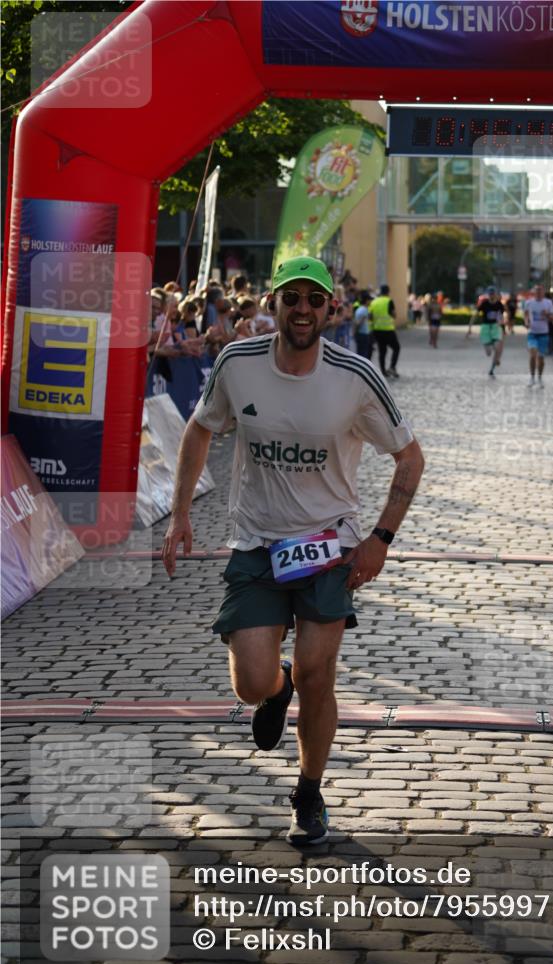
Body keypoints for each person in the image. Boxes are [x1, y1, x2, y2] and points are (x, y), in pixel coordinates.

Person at [161, 255, 424, 846]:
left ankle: (308, 793)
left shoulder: (355, 376)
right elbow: (200, 427)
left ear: (331, 308)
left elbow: (410, 458)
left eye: (314, 299)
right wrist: (180, 512)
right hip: (257, 542)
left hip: (330, 546)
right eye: (291, 298)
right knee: (252, 683)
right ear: (272, 303)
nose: (302, 309)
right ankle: (275, 691)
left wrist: (379, 539)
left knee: (317, 674)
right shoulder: (237, 363)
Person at [466, 286, 505, 378]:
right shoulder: (484, 303)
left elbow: (501, 317)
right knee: (488, 353)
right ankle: (494, 354)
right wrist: (470, 328)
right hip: (486, 328)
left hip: (495, 327)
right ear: (488, 294)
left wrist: (501, 323)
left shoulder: (500, 305)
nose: (491, 295)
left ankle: (492, 369)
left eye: (493, 294)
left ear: (496, 294)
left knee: (497, 347)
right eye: (490, 294)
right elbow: (475, 315)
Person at [523, 284, 553, 388]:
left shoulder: (548, 303)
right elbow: (526, 314)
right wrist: (526, 322)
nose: (538, 293)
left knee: (541, 358)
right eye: (537, 291)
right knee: (533, 354)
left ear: (543, 292)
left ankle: (540, 378)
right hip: (532, 333)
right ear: (534, 292)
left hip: (544, 333)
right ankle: (532, 378)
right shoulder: (529, 302)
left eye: (540, 291)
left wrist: (547, 314)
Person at [369, 283, 400, 378]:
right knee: (396, 347)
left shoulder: (374, 302)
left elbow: (370, 316)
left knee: (382, 350)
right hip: (388, 330)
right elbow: (393, 314)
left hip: (376, 330)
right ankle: (392, 367)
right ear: (388, 292)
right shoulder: (389, 301)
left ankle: (383, 371)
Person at [353, 290, 373, 359]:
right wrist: (355, 332)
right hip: (363, 335)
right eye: (369, 300)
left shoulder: (360, 309)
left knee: (360, 353)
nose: (370, 302)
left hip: (361, 334)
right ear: (366, 301)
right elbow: (358, 323)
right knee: (363, 354)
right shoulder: (364, 310)